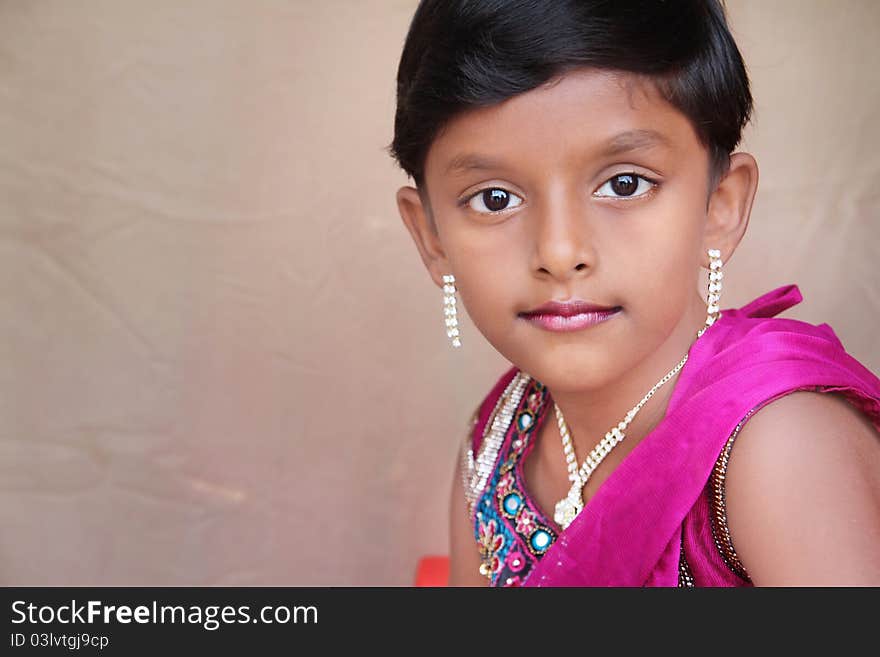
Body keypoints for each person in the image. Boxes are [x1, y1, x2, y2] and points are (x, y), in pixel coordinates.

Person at [388, 0, 880, 586]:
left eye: (625, 184)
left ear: (720, 205)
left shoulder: (778, 447)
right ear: (431, 237)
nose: (559, 251)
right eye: (495, 198)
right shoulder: (496, 441)